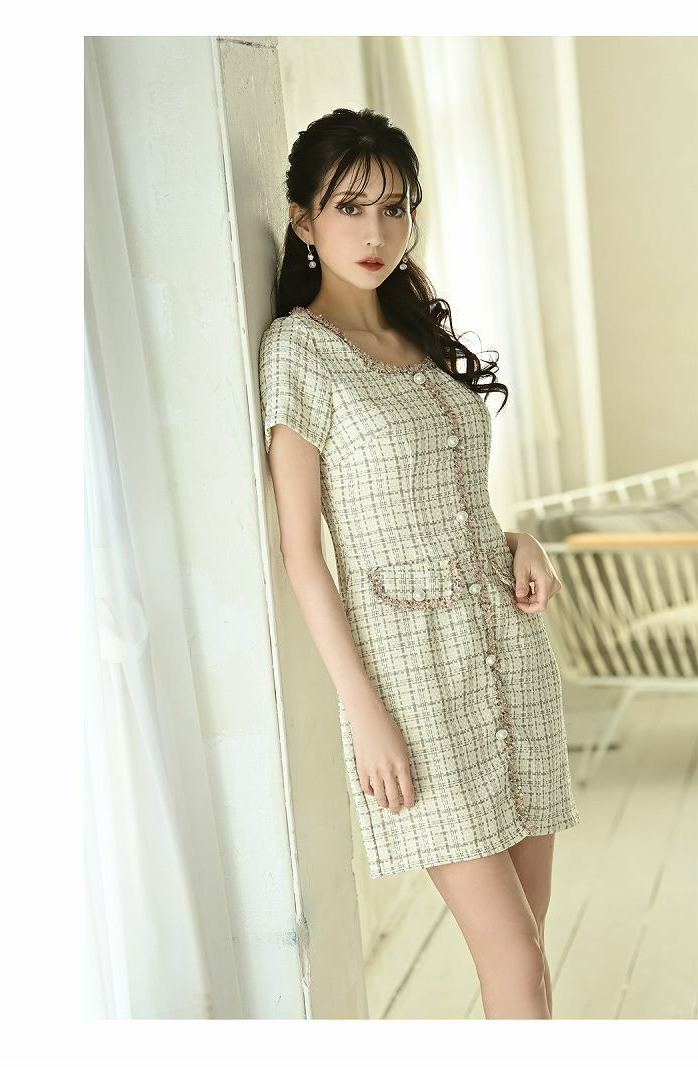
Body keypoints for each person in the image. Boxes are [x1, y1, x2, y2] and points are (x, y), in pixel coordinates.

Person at [258, 107, 580, 1020]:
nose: (376, 231)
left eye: (394, 207)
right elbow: (302, 553)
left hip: (510, 659)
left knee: (527, 955)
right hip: (415, 688)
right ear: (302, 218)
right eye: (350, 207)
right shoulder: (300, 352)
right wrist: (364, 714)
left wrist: (518, 541)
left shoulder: (418, 339)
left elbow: (454, 503)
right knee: (512, 955)